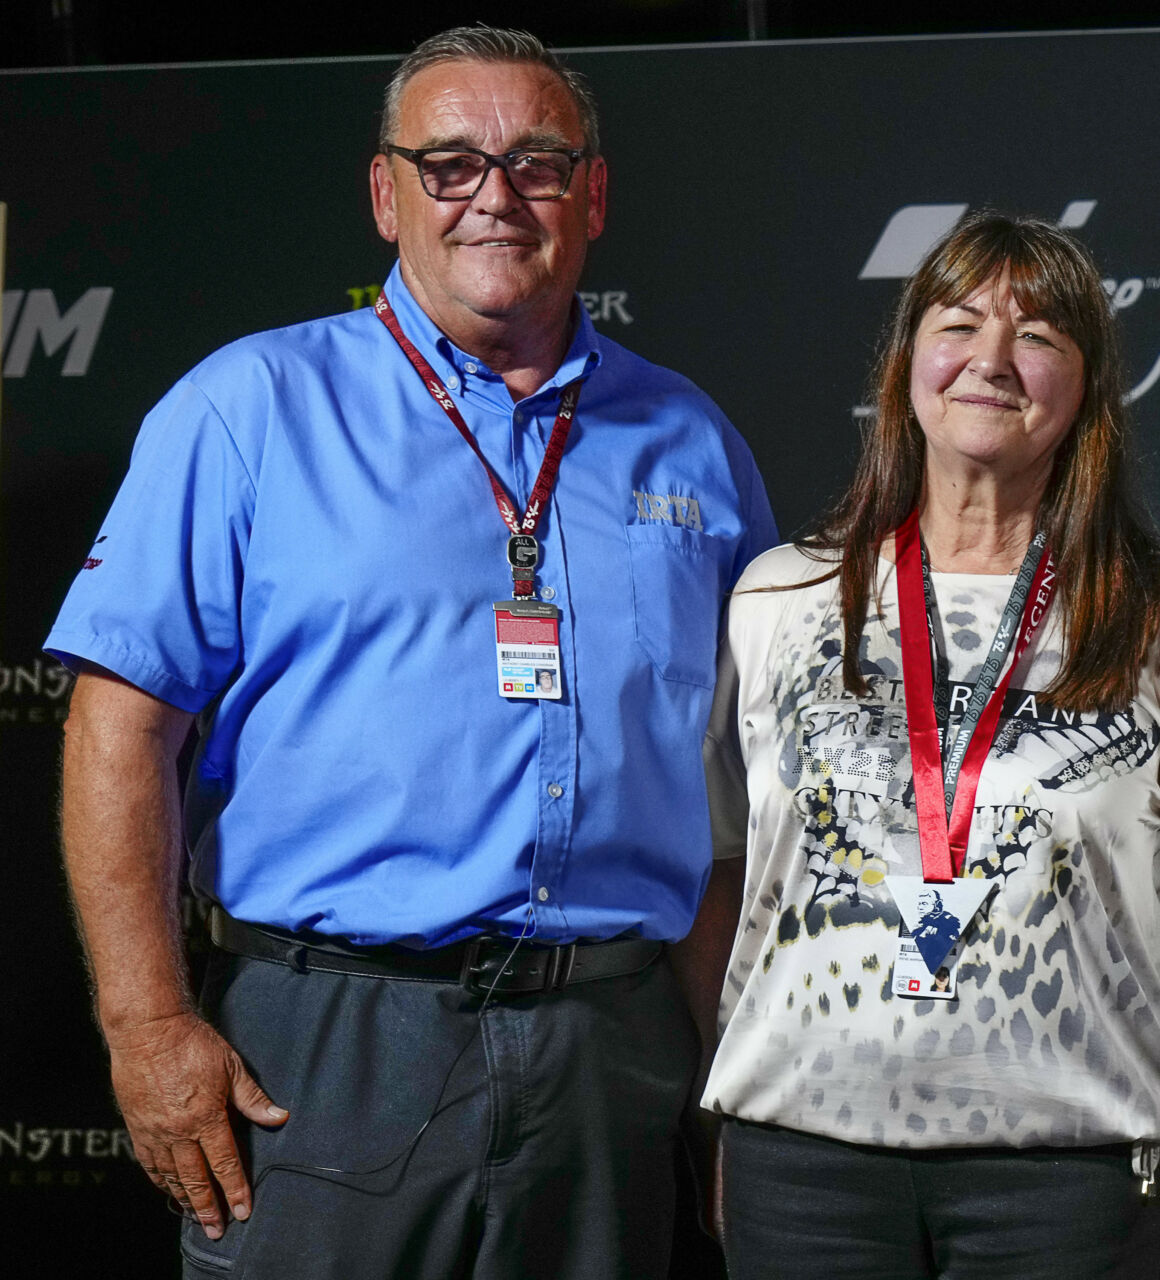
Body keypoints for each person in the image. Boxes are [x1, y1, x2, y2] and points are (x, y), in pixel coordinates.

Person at [49, 25, 775, 1280]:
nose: (495, 194)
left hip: (612, 1039)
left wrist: (736, 1071)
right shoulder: (249, 409)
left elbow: (735, 803)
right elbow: (117, 729)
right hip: (326, 1040)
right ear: (388, 194)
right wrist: (148, 1022)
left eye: (538, 162)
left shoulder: (691, 445)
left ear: (591, 196)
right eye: (450, 163)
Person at [699, 211, 1160, 1280]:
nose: (990, 359)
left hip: (1068, 1177)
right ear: (907, 362)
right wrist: (734, 1091)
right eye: (960, 322)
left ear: (1086, 388)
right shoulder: (781, 598)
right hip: (804, 1171)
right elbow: (719, 868)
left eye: (1037, 337)